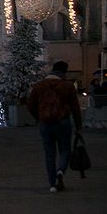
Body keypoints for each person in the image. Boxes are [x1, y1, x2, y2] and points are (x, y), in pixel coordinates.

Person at [27, 61, 83, 193]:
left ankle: (52, 184)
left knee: (49, 154)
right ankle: (61, 170)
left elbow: (30, 106)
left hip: (45, 123)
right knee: (65, 150)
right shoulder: (67, 86)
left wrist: (39, 117)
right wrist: (78, 126)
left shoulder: (39, 86)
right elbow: (75, 108)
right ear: (64, 72)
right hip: (63, 122)